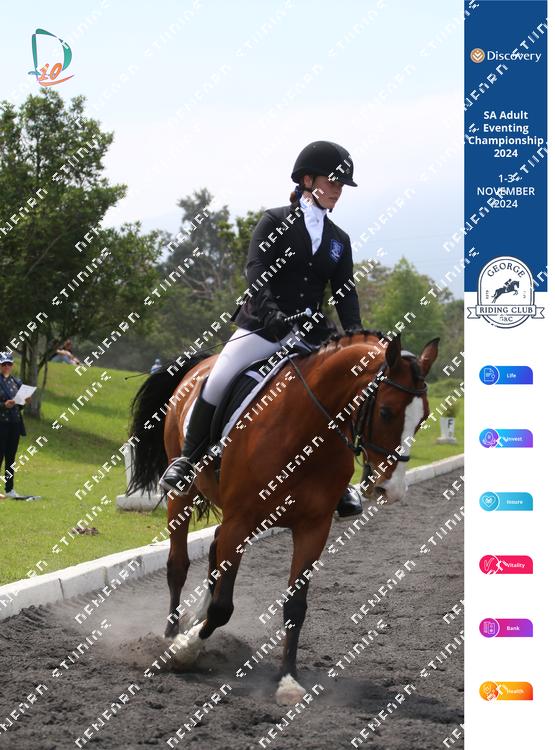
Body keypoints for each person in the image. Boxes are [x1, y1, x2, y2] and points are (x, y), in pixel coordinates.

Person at [160, 140, 364, 517]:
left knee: (346, 388)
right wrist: (271, 314)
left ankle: (339, 480)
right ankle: (187, 460)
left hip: (312, 333)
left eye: (341, 185)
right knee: (218, 378)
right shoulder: (274, 221)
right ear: (307, 180)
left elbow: (345, 293)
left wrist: (355, 337)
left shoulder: (339, 240)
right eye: (333, 181)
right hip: (263, 326)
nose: (338, 190)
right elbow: (256, 271)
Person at [0, 352, 27, 498]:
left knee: (11, 458)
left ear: (12, 365)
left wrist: (25, 401)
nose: (6, 366)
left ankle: (9, 489)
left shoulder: (17, 382)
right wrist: (4, 405)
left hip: (15, 424)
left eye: (9, 364)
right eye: (3, 364)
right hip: (1, 424)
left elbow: (20, 405)